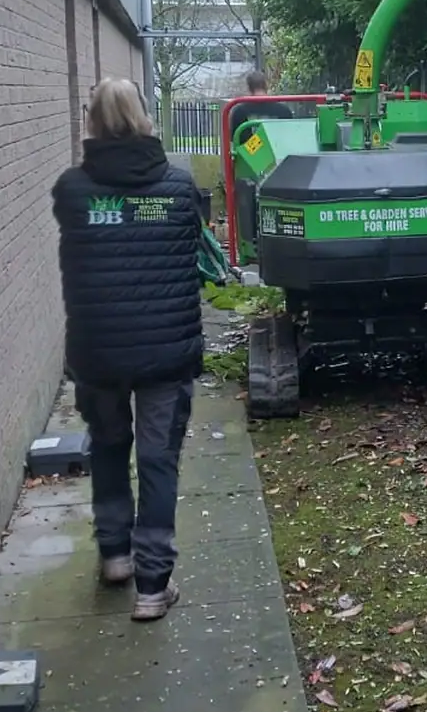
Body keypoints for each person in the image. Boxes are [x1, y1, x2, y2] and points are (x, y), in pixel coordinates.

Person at [52, 78, 207, 621]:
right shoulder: (179, 188)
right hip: (166, 352)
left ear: (91, 120)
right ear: (144, 116)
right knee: (158, 461)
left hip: (98, 353)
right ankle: (152, 587)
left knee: (109, 446)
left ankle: (116, 555)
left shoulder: (72, 191)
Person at [226, 71, 292, 258]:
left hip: (251, 167)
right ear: (266, 84)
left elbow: (236, 141)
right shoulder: (283, 110)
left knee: (249, 204)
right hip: (280, 166)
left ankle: (251, 247)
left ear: (249, 87)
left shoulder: (239, 111)